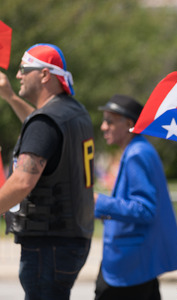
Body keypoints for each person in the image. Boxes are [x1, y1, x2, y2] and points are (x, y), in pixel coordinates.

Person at [0, 43, 95, 299]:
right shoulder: (73, 112)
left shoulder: (45, 122)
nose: (18, 75)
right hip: (72, 238)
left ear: (44, 74)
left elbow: (21, 182)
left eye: (23, 69)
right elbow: (40, 128)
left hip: (48, 244)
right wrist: (10, 97)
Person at [95, 94, 177, 300]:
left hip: (129, 267)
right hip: (135, 264)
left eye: (110, 121)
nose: (103, 127)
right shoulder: (139, 149)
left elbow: (145, 209)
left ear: (129, 123)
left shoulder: (137, 153)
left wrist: (100, 203)